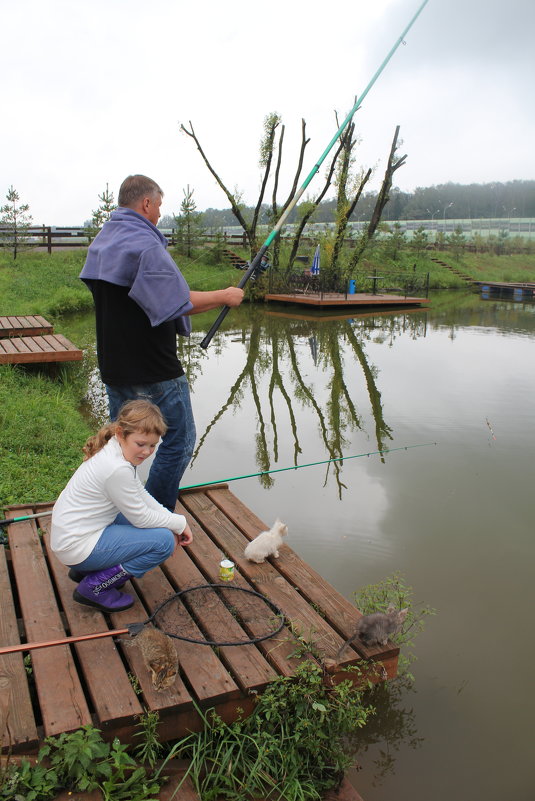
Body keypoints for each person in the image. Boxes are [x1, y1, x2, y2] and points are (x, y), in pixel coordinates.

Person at [79, 174, 244, 512]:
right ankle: (152, 516)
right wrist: (225, 295)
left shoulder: (103, 242)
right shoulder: (146, 245)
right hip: (154, 369)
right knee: (178, 443)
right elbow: (178, 302)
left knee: (122, 447)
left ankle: (117, 510)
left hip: (114, 366)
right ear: (146, 203)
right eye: (158, 207)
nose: (158, 215)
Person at [51, 399, 193, 613]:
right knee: (163, 541)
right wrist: (178, 523)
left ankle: (86, 571)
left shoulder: (114, 449)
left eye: (153, 445)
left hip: (72, 538)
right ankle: (95, 587)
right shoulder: (117, 468)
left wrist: (172, 520)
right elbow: (141, 518)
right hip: (77, 547)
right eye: (141, 444)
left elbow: (139, 493)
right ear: (120, 433)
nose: (146, 452)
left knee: (158, 526)